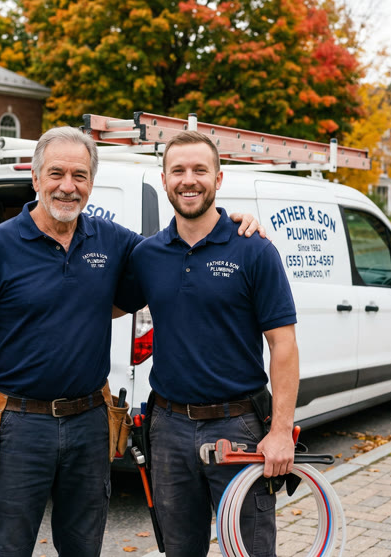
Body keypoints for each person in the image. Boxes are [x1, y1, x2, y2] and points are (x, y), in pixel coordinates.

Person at [0, 126, 264, 557]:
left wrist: (234, 221)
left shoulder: (114, 243)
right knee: (6, 549)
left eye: (79, 175)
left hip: (90, 425)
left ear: (91, 184)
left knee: (84, 549)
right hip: (17, 426)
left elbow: (179, 247)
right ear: (36, 179)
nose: (67, 186)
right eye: (56, 173)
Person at [117, 131, 300, 557]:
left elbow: (284, 346)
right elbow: (100, 304)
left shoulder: (254, 249)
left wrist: (279, 433)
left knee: (250, 550)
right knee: (180, 550)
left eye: (200, 170)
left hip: (238, 427)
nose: (189, 179)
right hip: (167, 428)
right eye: (178, 170)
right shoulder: (148, 255)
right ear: (164, 180)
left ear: (219, 178)